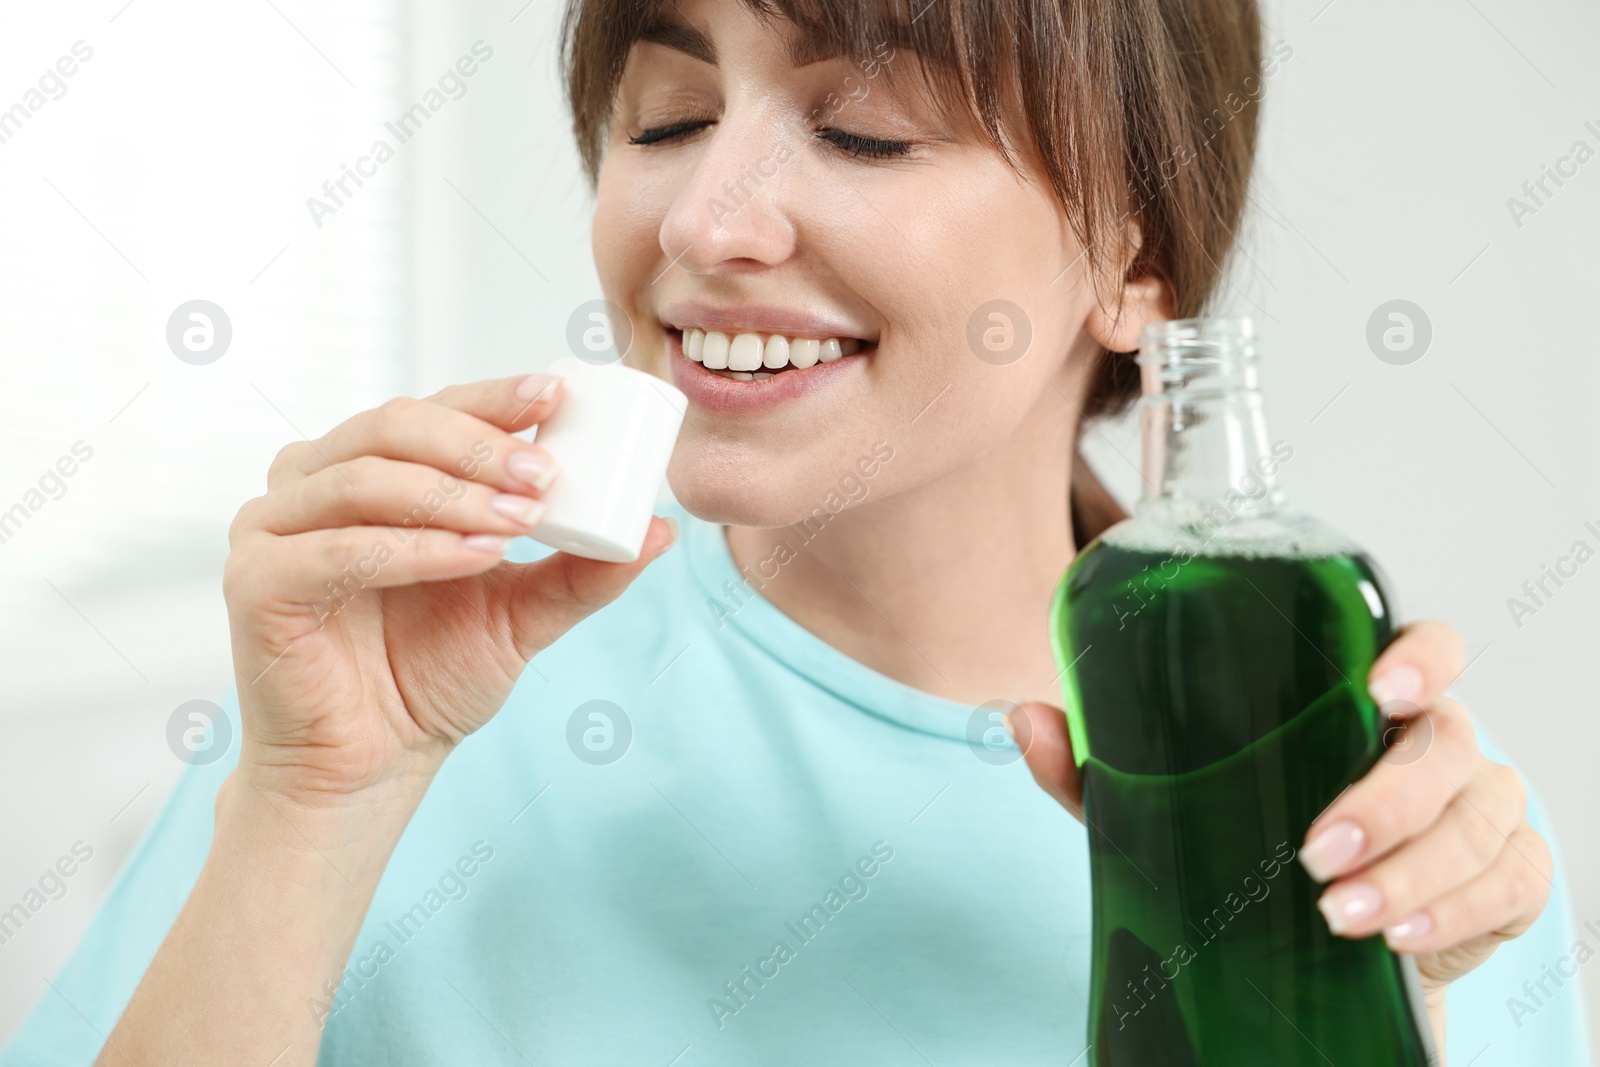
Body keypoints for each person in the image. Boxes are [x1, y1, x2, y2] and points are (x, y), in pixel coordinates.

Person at [5, 0, 1589, 1063]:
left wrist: (1381, 1007)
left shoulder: (1389, 827)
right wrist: (314, 804)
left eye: (867, 134)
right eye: (669, 117)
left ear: (1134, 254)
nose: (704, 225)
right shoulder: (394, 693)